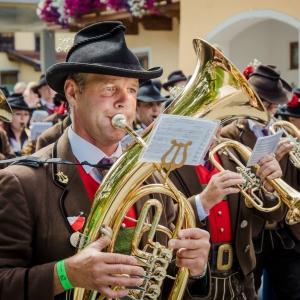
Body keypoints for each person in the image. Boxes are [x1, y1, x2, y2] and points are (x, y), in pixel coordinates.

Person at [0, 21, 210, 300]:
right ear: (73, 92)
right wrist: (66, 274)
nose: (125, 101)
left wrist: (196, 270)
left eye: (132, 90)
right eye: (110, 88)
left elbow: (167, 276)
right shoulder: (22, 182)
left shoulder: (154, 178)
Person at [168, 123, 285, 300]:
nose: (217, 131)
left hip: (241, 276)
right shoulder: (166, 158)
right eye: (207, 122)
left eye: (219, 123)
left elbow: (273, 214)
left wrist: (270, 188)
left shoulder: (235, 151)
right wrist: (202, 202)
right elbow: (159, 219)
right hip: (193, 280)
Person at [221, 64, 300, 299]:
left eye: (276, 104)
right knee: (250, 292)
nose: (273, 109)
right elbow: (237, 183)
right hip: (251, 232)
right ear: (252, 101)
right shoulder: (231, 134)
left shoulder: (285, 131)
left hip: (287, 230)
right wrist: (272, 159)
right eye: (267, 104)